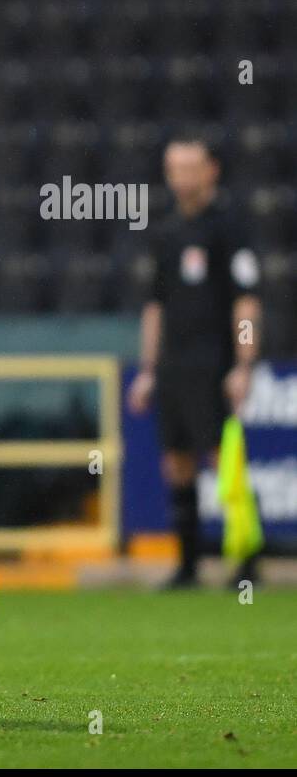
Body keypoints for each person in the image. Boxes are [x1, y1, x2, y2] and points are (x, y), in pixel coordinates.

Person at [127, 134, 263, 589]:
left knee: (224, 459)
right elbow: (155, 306)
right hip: (173, 364)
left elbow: (246, 302)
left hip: (215, 362)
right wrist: (148, 370)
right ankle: (188, 565)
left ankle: (246, 562)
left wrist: (243, 364)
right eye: (175, 169)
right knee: (176, 461)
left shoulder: (229, 227)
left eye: (191, 168)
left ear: (211, 171)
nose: (183, 179)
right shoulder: (165, 234)